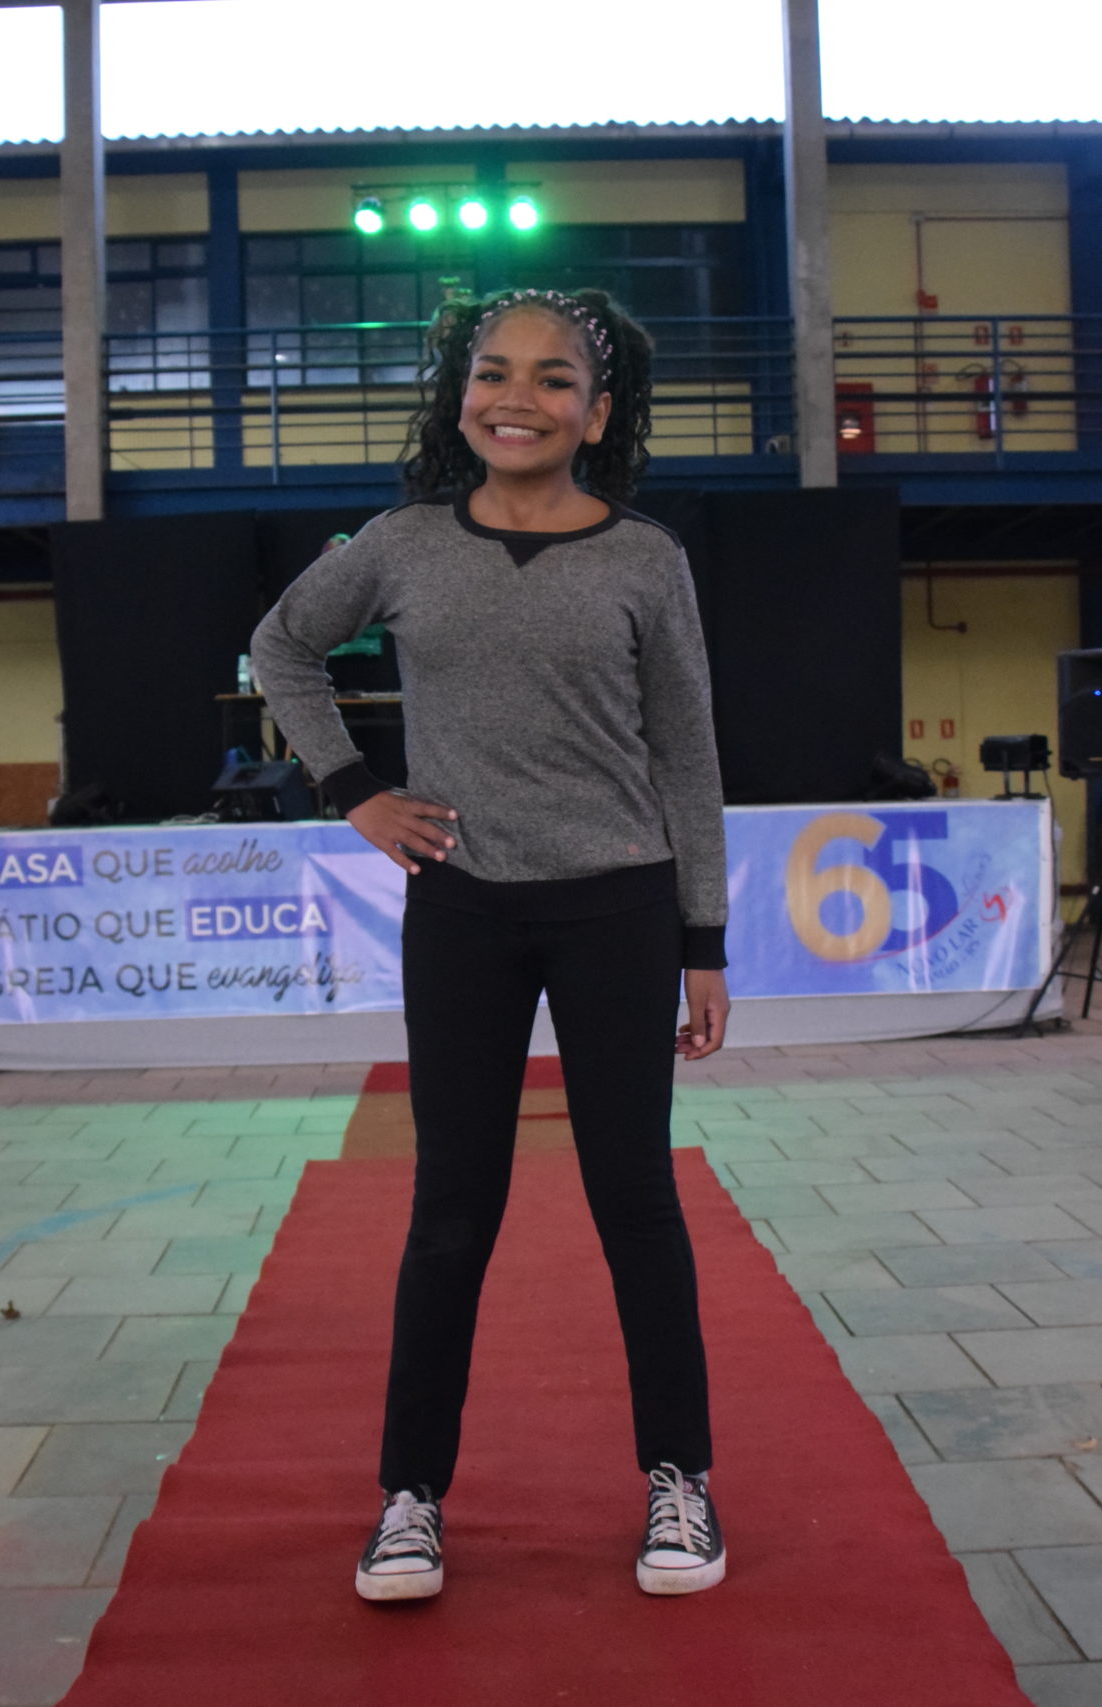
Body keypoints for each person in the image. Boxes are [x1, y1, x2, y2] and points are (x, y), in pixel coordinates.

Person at [251, 287, 731, 1604]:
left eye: (554, 377)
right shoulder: (404, 542)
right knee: (451, 1209)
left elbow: (688, 756)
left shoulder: (645, 561)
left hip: (620, 906)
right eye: (493, 371)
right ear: (458, 394)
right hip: (463, 907)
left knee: (634, 1199)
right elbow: (282, 646)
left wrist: (703, 938)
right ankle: (410, 1497)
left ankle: (680, 1477)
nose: (519, 397)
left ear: (599, 411)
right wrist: (354, 788)